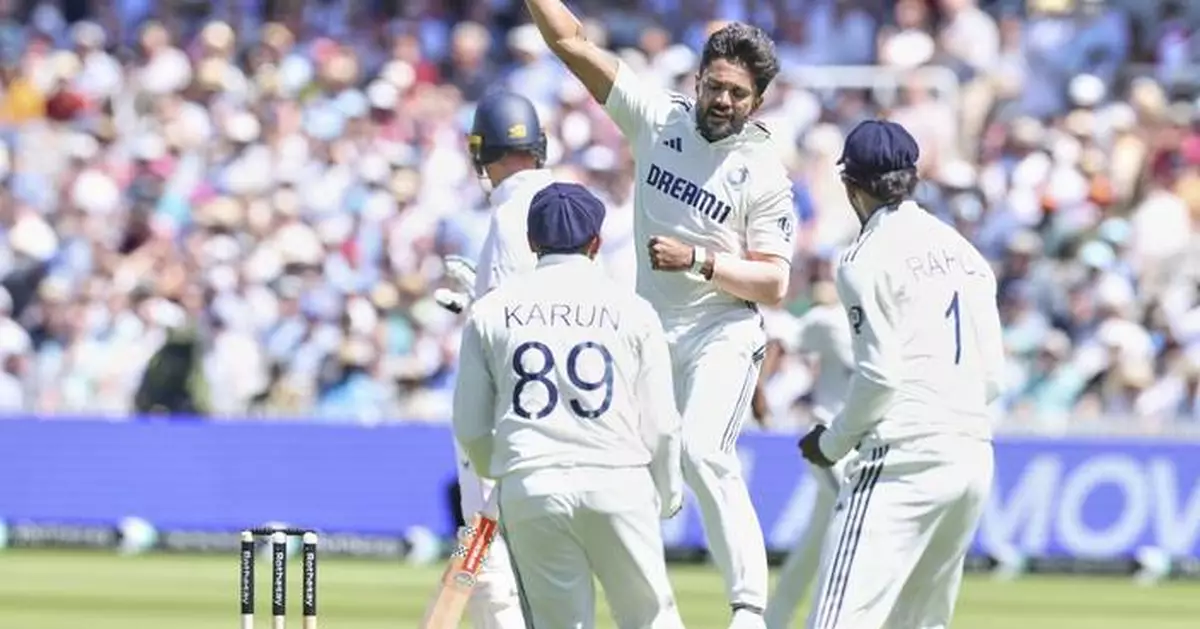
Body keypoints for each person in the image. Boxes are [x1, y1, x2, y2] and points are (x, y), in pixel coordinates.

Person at [523, 4, 797, 626]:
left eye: (738, 93)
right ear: (697, 79)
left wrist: (698, 260)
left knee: (703, 452)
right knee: (624, 476)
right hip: (649, 336)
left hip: (722, 329)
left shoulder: (763, 172)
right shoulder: (655, 117)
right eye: (715, 86)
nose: (723, 100)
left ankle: (749, 611)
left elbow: (775, 283)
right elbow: (571, 43)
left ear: (758, 102)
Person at [797, 120, 1004, 629]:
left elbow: (880, 377)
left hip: (903, 460)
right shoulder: (967, 253)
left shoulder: (864, 258)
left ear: (850, 185)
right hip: (971, 456)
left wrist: (832, 443)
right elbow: (994, 376)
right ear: (913, 177)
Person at [451, 182, 686, 629]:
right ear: (596, 242)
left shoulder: (490, 311)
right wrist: (668, 491)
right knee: (652, 620)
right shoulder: (634, 309)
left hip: (533, 484)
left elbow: (470, 426)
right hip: (618, 480)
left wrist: (505, 470)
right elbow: (662, 424)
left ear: (531, 241)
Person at [435, 89, 556, 629]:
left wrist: (479, 312)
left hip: (504, 412)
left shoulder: (509, 216)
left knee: (484, 552)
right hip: (556, 407)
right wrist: (476, 301)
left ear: (480, 152)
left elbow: (514, 327)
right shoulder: (558, 202)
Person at [763, 281, 855, 629]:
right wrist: (760, 389)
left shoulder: (888, 318)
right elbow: (784, 339)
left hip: (861, 446)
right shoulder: (828, 319)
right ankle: (827, 620)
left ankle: (773, 620)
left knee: (814, 544)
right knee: (850, 525)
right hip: (827, 440)